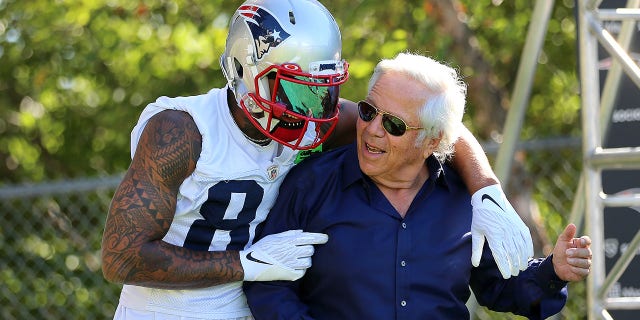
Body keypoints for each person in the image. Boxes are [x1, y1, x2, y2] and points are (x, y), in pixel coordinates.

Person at [101, 0, 533, 319]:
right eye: (293, 88)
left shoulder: (309, 120)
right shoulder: (181, 130)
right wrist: (245, 263)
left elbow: (440, 128)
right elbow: (120, 258)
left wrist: (486, 190)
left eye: (320, 88)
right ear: (245, 69)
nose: (312, 108)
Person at [243, 53, 592, 320]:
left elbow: (499, 287)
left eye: (393, 124)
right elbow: (268, 286)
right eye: (368, 111)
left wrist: (553, 271)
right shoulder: (312, 184)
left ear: (431, 141)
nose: (372, 129)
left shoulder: (462, 200)